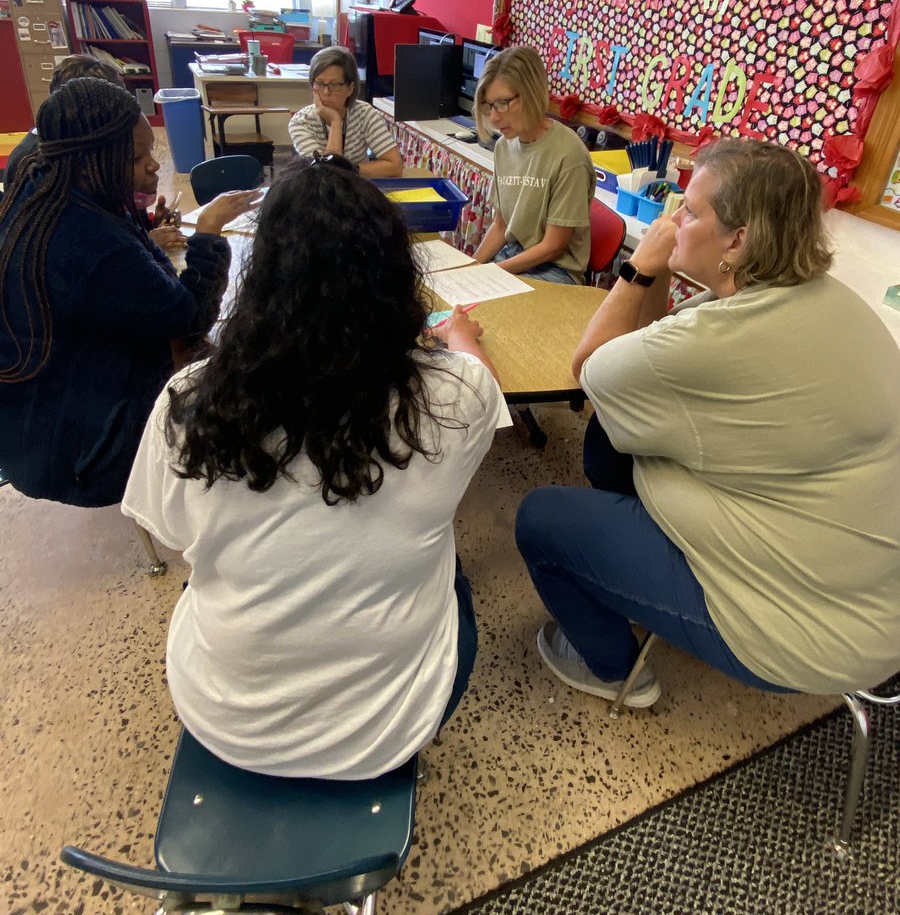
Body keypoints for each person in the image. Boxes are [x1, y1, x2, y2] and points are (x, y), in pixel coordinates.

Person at [122, 156, 504, 780]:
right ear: (394, 276)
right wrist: (461, 338)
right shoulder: (457, 395)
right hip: (391, 729)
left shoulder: (188, 400)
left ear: (260, 278)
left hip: (223, 717)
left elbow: (178, 537)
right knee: (448, 560)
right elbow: (482, 387)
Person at [516, 138, 900, 706]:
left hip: (803, 630)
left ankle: (614, 670)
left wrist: (638, 267)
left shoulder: (719, 339)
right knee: (607, 443)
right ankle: (627, 578)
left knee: (540, 519)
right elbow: (652, 347)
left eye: (691, 212)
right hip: (867, 587)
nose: (673, 221)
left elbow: (590, 368)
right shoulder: (829, 300)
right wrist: (659, 274)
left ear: (737, 240)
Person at [0, 77, 259, 508]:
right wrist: (209, 231)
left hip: (26, 428)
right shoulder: (92, 244)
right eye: (138, 157)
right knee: (236, 381)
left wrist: (143, 234)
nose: (155, 166)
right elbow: (189, 316)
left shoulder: (38, 187)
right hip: (81, 457)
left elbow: (130, 260)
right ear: (89, 161)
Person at [4, 54, 186, 252]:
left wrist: (148, 225)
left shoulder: (103, 159)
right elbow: (75, 249)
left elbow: (117, 215)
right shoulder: (37, 167)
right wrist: (144, 245)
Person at [473, 46, 594, 284]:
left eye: (503, 103)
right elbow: (501, 226)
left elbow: (553, 246)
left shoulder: (569, 154)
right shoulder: (503, 146)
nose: (494, 118)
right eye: (489, 105)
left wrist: (490, 273)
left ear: (530, 94)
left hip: (557, 270)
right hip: (514, 254)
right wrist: (470, 267)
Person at [288, 45, 403, 177]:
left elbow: (395, 167)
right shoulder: (301, 122)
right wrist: (335, 122)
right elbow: (326, 175)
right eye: (319, 83)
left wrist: (349, 169)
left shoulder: (364, 113)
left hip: (358, 186)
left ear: (350, 88)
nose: (326, 92)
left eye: (334, 85)